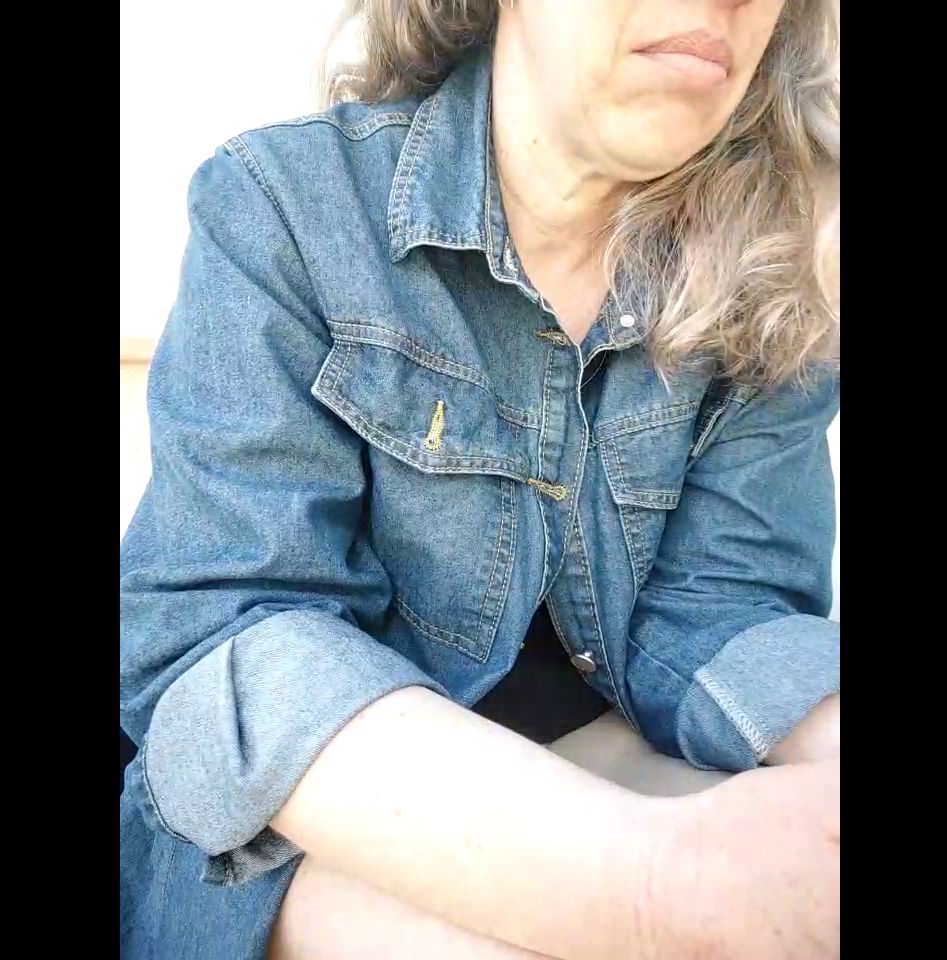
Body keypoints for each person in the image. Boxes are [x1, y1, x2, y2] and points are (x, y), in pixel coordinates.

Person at [119, 1, 841, 957]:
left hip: (604, 773)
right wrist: (657, 886)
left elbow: (722, 605)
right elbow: (224, 648)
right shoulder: (287, 202)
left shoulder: (773, 268)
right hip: (281, 848)